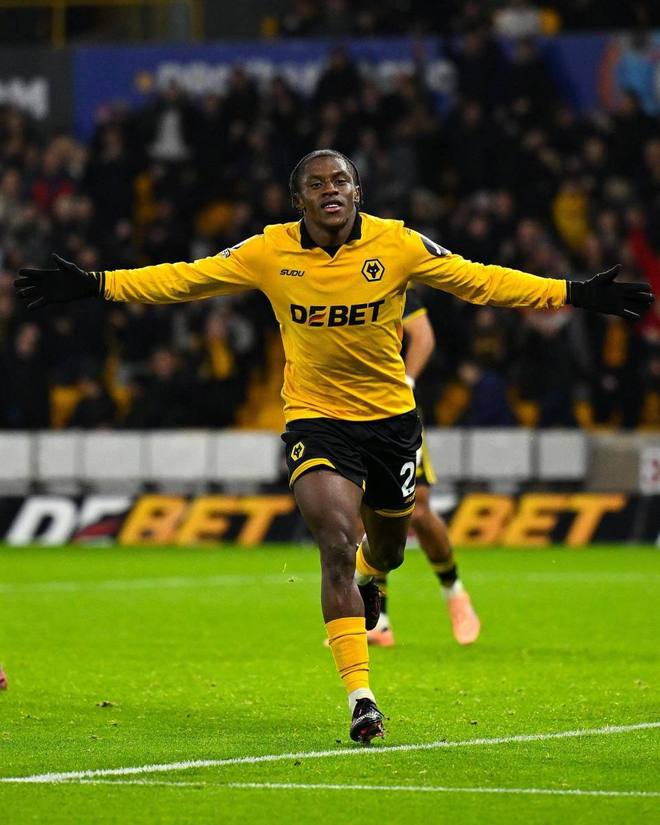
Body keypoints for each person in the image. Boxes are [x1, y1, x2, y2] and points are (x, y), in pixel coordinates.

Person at [14, 149, 653, 744]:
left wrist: (572, 293)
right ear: (298, 199)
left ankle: (376, 577)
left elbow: (479, 281)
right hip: (316, 420)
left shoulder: (397, 243)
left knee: (388, 549)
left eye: (340, 181)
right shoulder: (269, 251)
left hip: (391, 423)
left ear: (357, 192)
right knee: (336, 543)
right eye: (317, 184)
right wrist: (97, 284)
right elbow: (185, 279)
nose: (331, 190)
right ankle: (361, 698)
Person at [367, 288, 480, 648]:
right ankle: (378, 621)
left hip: (395, 414)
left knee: (417, 509)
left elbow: (424, 335)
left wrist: (407, 381)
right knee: (362, 513)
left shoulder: (389, 283)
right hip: (348, 411)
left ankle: (454, 591)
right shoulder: (329, 284)